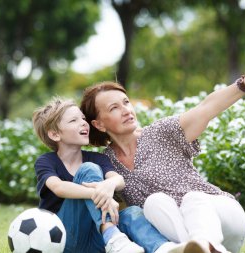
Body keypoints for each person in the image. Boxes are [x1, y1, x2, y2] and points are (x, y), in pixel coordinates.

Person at [80, 43, 245, 253]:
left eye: (126, 102)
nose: (126, 110)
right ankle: (200, 249)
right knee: (153, 203)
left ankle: (204, 242)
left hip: (221, 216)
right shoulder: (106, 163)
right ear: (99, 124)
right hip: (180, 232)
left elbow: (206, 107)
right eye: (114, 108)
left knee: (192, 198)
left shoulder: (161, 132)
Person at [32, 97, 201, 253]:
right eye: (73, 120)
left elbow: (118, 179)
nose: (83, 124)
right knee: (88, 170)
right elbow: (59, 187)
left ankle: (163, 248)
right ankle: (113, 236)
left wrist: (108, 185)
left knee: (132, 212)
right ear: (54, 134)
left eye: (83, 119)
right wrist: (98, 192)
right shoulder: (47, 161)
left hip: (96, 240)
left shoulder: (99, 157)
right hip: (65, 239)